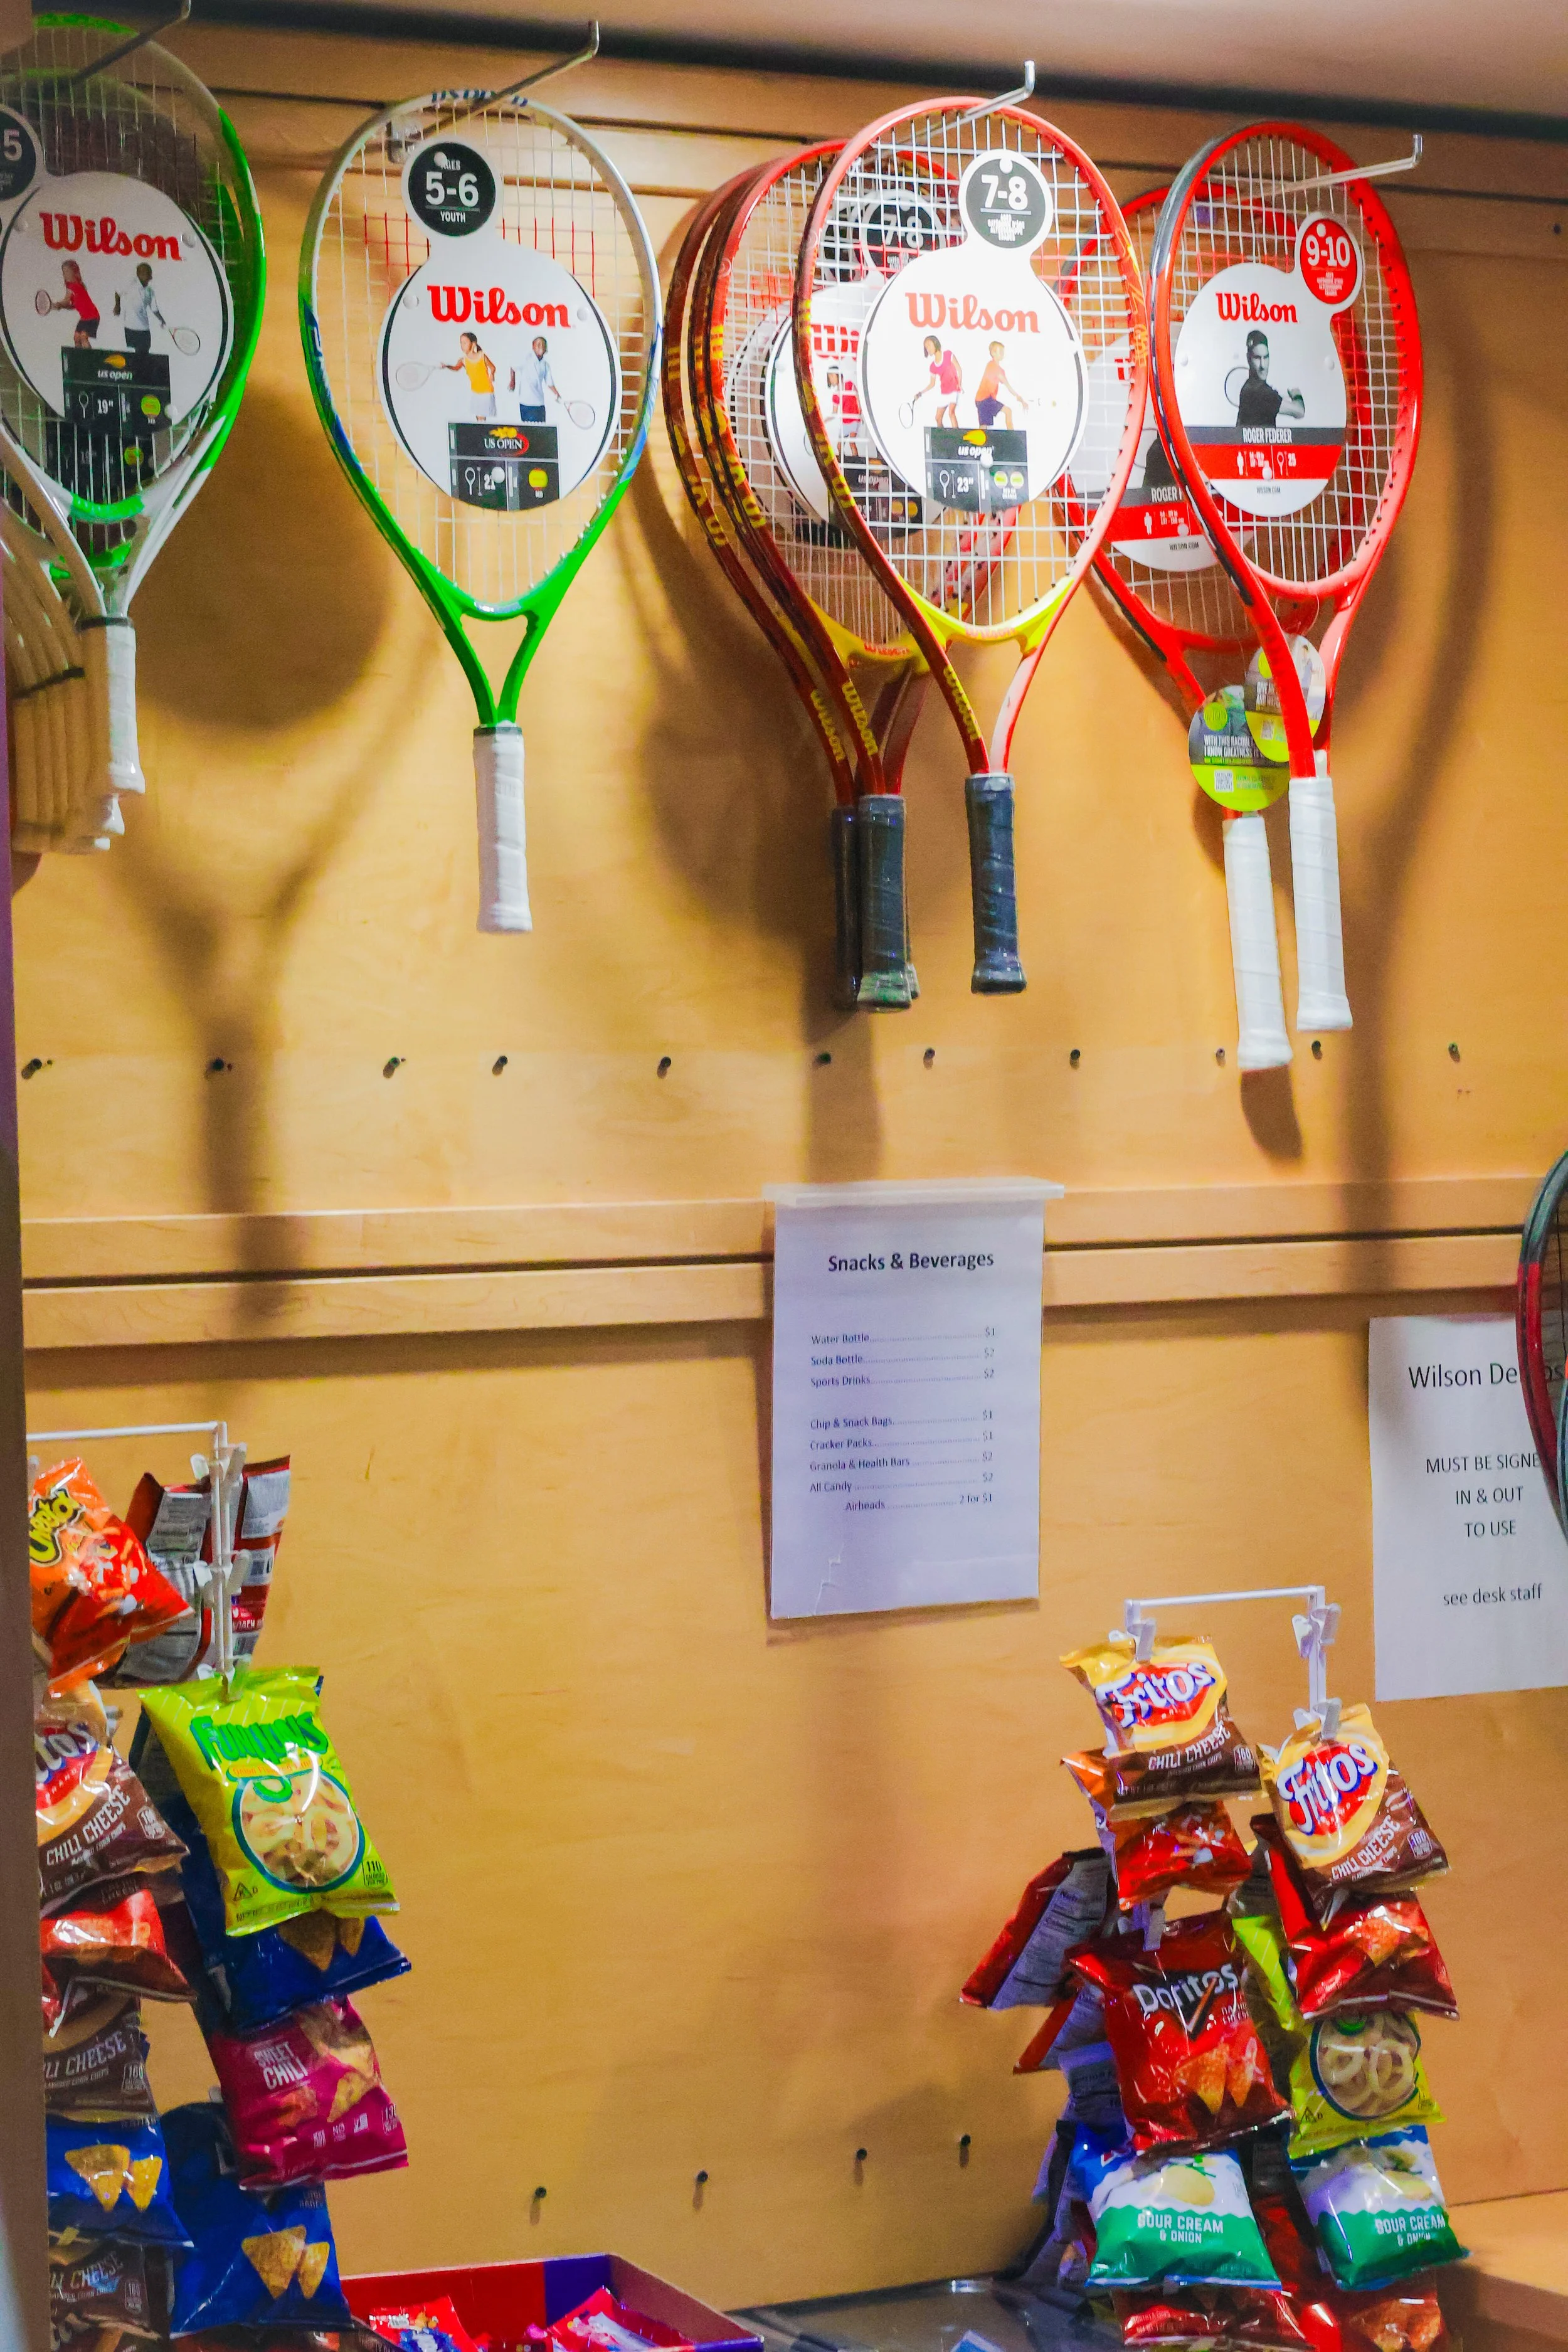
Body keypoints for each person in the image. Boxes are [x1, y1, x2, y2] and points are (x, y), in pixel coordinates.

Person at [1235, 330, 1304, 429]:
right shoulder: (1260, 392)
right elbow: (1300, 412)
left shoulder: (1249, 387)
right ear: (1248, 359)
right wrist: (1297, 395)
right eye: (1257, 358)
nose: (1263, 366)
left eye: (1266, 357)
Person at [908, 332, 962, 429]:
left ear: (935, 343)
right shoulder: (933, 366)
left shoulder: (948, 354)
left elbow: (959, 369)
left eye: (929, 345)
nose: (928, 349)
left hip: (954, 389)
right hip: (944, 392)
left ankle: (957, 438)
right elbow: (932, 384)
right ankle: (942, 437)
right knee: (938, 418)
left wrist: (960, 384)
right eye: (926, 347)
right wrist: (920, 393)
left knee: (951, 413)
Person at [113, 262, 167, 358]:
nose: (151, 278)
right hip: (130, 327)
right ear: (140, 274)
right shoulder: (130, 284)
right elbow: (118, 292)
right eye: (148, 274)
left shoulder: (150, 291)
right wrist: (118, 306)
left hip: (144, 328)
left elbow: (154, 309)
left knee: (144, 353)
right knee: (137, 355)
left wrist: (161, 319)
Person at [441, 330, 496, 420]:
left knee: (481, 418)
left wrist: (492, 375)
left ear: (473, 344)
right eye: (461, 343)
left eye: (465, 343)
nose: (462, 346)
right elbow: (456, 368)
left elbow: (493, 367)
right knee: (479, 418)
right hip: (475, 392)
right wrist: (447, 366)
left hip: (486, 391)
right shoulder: (463, 360)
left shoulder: (482, 356)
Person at [45, 258, 100, 347]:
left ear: (74, 272)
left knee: (83, 337)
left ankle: (89, 355)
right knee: (76, 338)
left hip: (92, 317)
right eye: (64, 273)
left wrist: (59, 304)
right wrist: (61, 306)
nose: (65, 275)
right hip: (84, 318)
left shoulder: (73, 286)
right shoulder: (75, 286)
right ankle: (79, 355)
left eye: (67, 272)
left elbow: (67, 301)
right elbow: (73, 305)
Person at [974, 340, 1025, 430]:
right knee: (1008, 411)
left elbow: (1007, 385)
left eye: (1003, 352)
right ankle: (1011, 435)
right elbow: (1006, 384)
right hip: (984, 399)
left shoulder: (999, 370)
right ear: (993, 353)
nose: (1002, 354)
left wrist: (1019, 397)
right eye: (1000, 351)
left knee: (984, 426)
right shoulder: (992, 365)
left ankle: (1009, 434)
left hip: (983, 399)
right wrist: (1018, 396)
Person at [509, 333, 559, 425]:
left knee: (540, 430)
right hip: (526, 404)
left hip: (540, 404)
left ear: (546, 349)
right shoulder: (526, 359)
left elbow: (550, 383)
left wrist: (557, 394)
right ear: (533, 346)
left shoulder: (546, 365)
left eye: (543, 345)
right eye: (538, 344)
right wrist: (513, 383)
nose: (541, 347)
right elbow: (513, 368)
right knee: (529, 431)